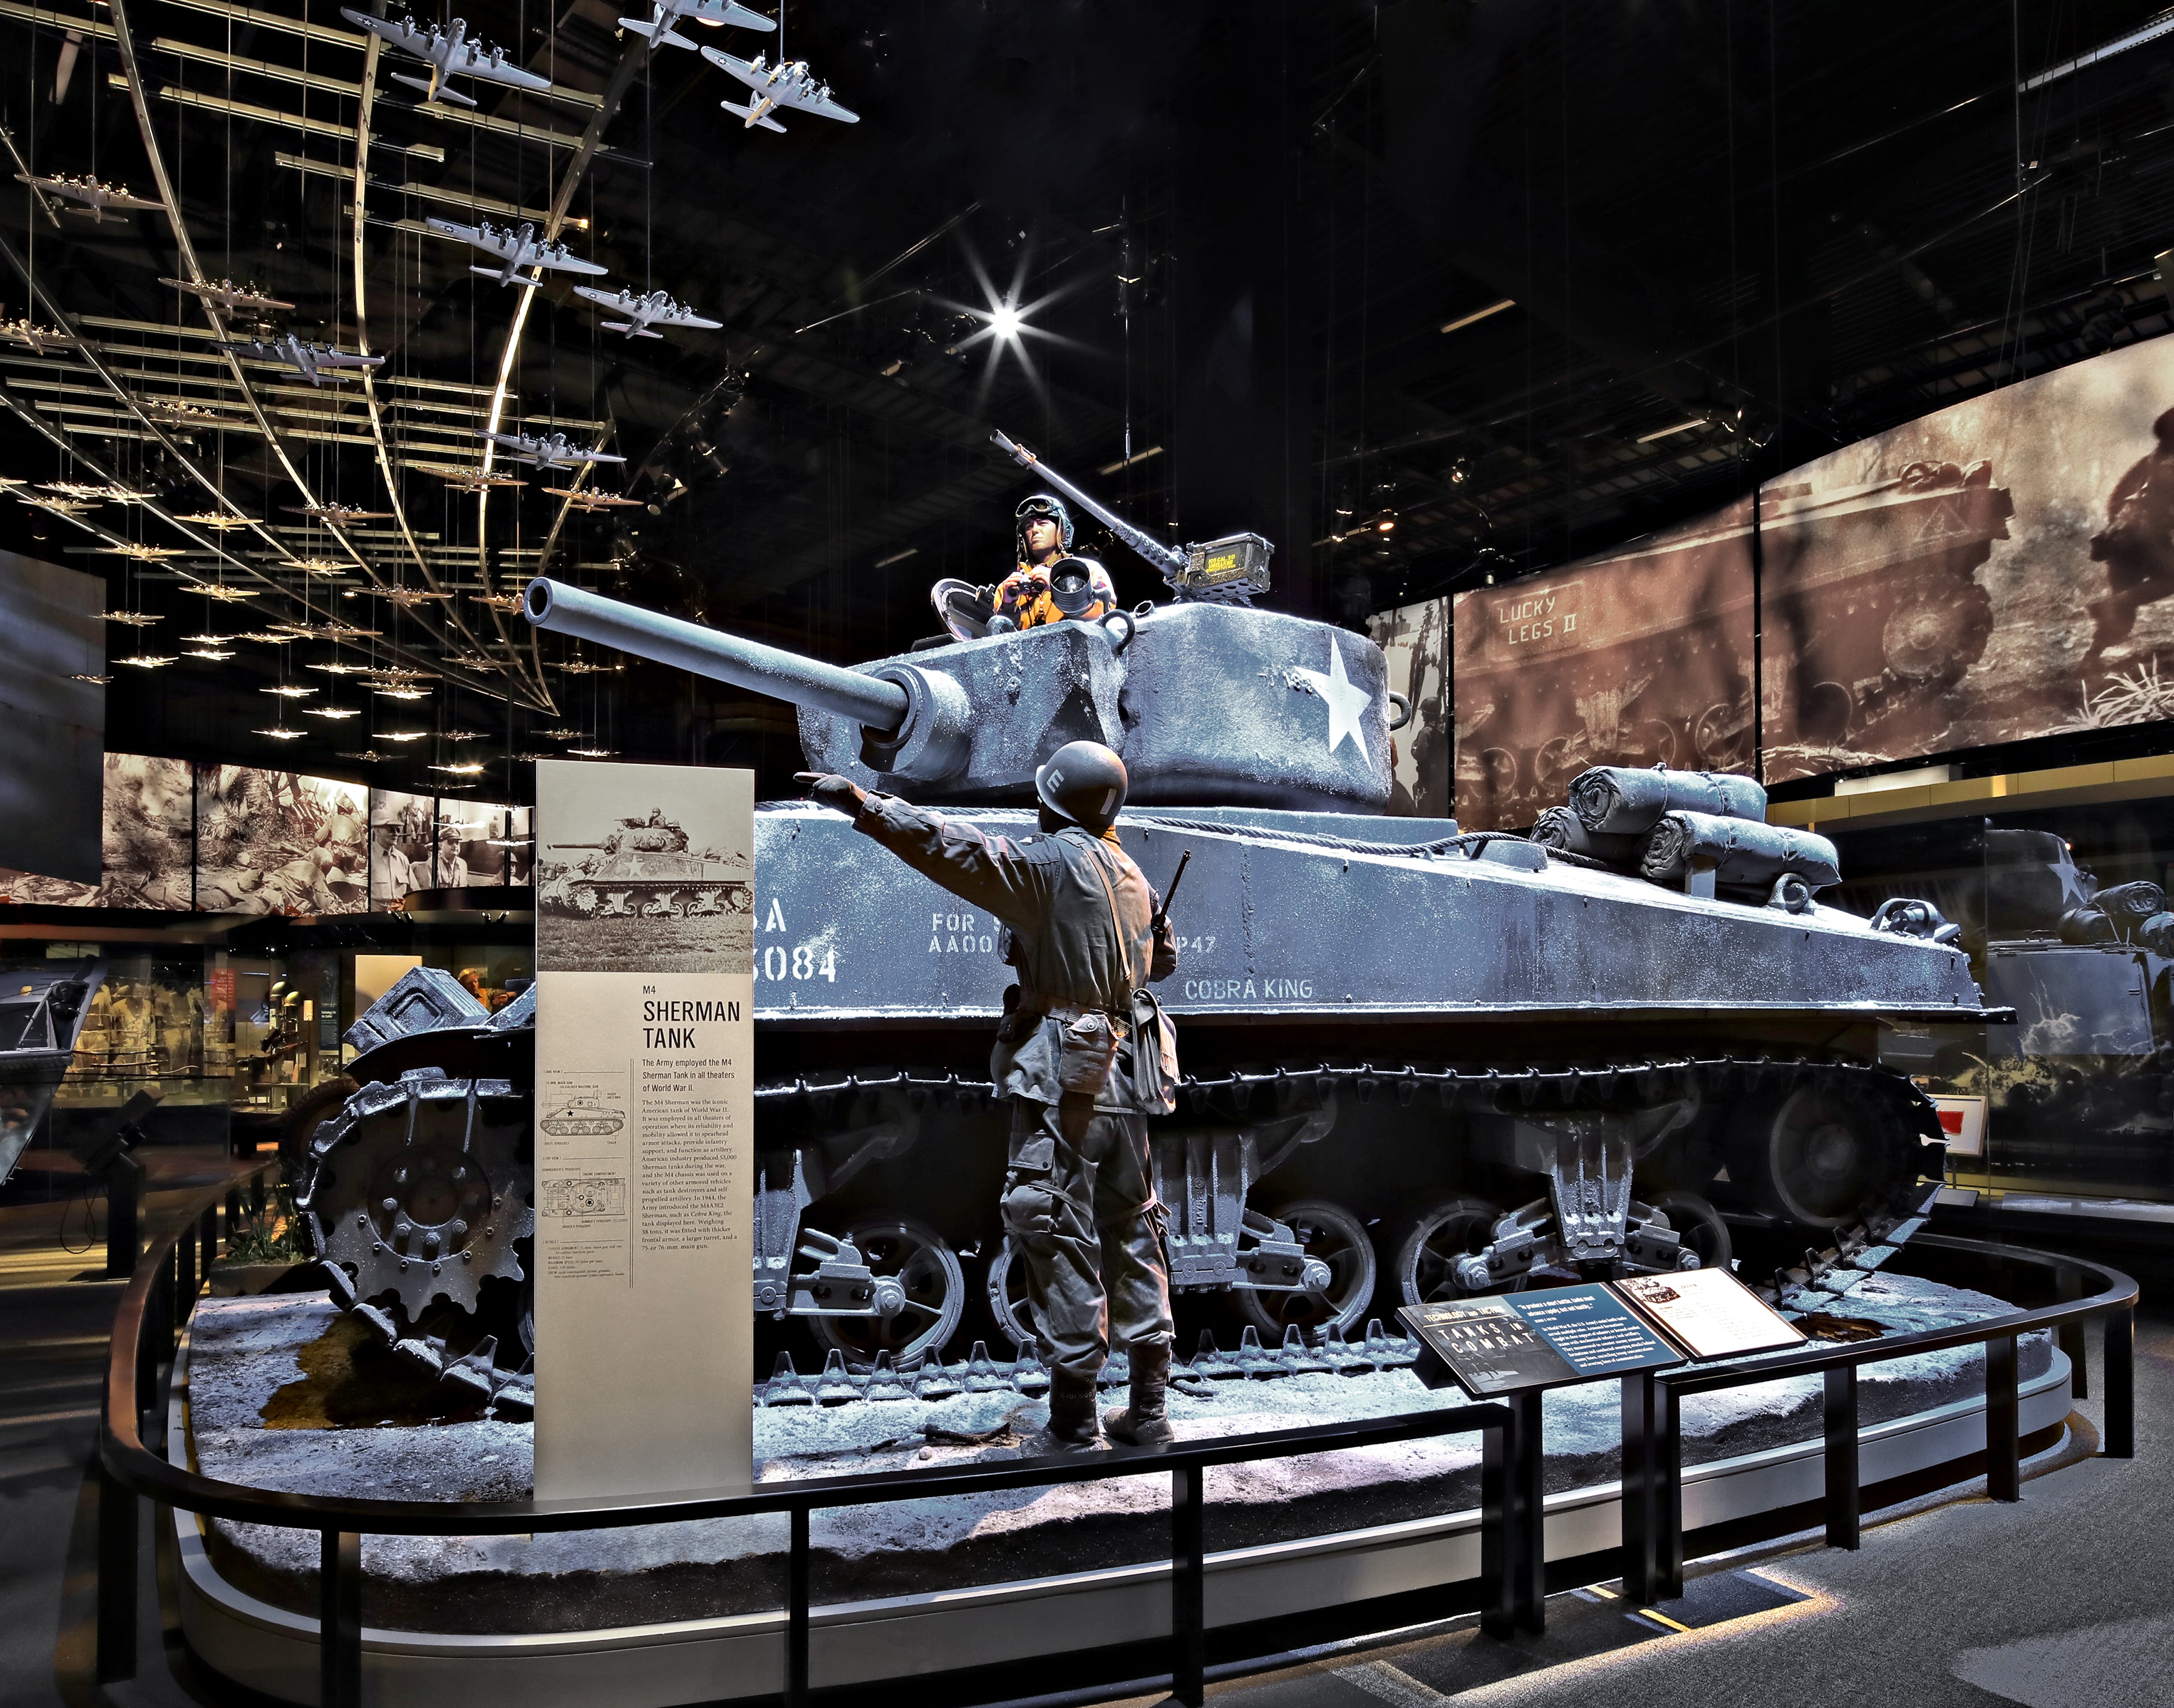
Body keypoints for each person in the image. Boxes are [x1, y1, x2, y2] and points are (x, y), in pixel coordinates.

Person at [797, 741, 1180, 1451]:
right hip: (1130, 1076)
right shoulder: (1133, 874)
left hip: (1067, 1079)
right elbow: (1165, 960)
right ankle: (1150, 1410)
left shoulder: (1047, 865)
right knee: (1133, 1227)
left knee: (1054, 1223)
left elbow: (956, 848)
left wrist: (866, 805)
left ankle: (1074, 1421)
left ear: (1053, 802)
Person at [2087, 406, 2174, 660]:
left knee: (2123, 610)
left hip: (2119, 539)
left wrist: (2117, 526)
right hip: (2147, 539)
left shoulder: (2150, 461)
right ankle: (2118, 603)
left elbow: (2116, 498)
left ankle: (2091, 657)